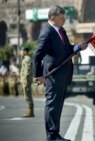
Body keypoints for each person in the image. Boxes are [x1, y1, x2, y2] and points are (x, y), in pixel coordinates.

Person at [33, 5, 87, 141]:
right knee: (52, 106)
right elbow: (37, 55)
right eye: (61, 18)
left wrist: (77, 47)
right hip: (53, 76)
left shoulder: (60, 30)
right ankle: (51, 136)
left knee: (57, 107)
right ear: (53, 18)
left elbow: (67, 49)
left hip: (62, 76)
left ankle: (55, 134)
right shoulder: (47, 33)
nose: (64, 20)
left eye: (64, 17)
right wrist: (39, 76)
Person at [20, 47, 34, 117]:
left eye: (21, 51)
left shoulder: (27, 59)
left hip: (26, 81)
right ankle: (30, 111)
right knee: (27, 95)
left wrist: (25, 81)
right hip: (26, 80)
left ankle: (30, 112)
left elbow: (27, 71)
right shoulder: (25, 59)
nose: (20, 53)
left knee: (28, 95)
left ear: (25, 52)